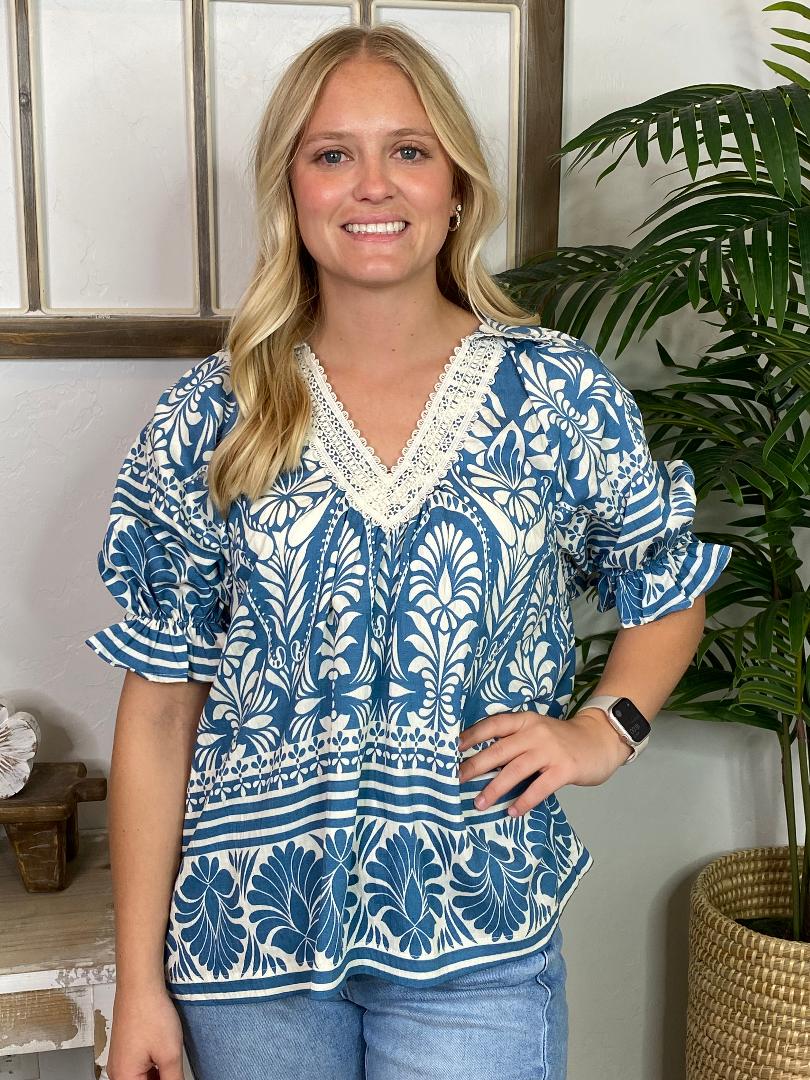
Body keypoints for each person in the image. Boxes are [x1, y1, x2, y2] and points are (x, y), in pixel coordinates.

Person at [84, 23, 732, 1080]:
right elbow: (159, 707)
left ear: (458, 188)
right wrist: (140, 987)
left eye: (410, 150)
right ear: (290, 189)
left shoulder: (556, 391)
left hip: (477, 935)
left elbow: (661, 582)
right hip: (249, 941)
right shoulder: (214, 414)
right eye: (332, 153)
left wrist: (598, 734)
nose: (371, 185)